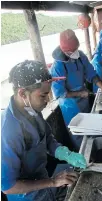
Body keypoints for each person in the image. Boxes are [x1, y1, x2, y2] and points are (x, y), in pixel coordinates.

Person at [1, 60, 87, 201]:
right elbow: (8, 186)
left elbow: (47, 139)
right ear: (23, 93)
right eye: (43, 95)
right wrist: (52, 182)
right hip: (26, 195)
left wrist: (66, 154)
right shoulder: (8, 131)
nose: (47, 99)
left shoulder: (33, 110)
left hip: (43, 180)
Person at [50, 29, 102, 148]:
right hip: (69, 105)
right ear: (65, 51)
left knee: (89, 125)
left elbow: (91, 74)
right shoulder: (57, 66)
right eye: (72, 51)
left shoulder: (81, 56)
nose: (76, 52)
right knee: (77, 131)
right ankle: (82, 155)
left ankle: (93, 148)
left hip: (84, 98)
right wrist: (80, 93)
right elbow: (60, 93)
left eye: (76, 48)